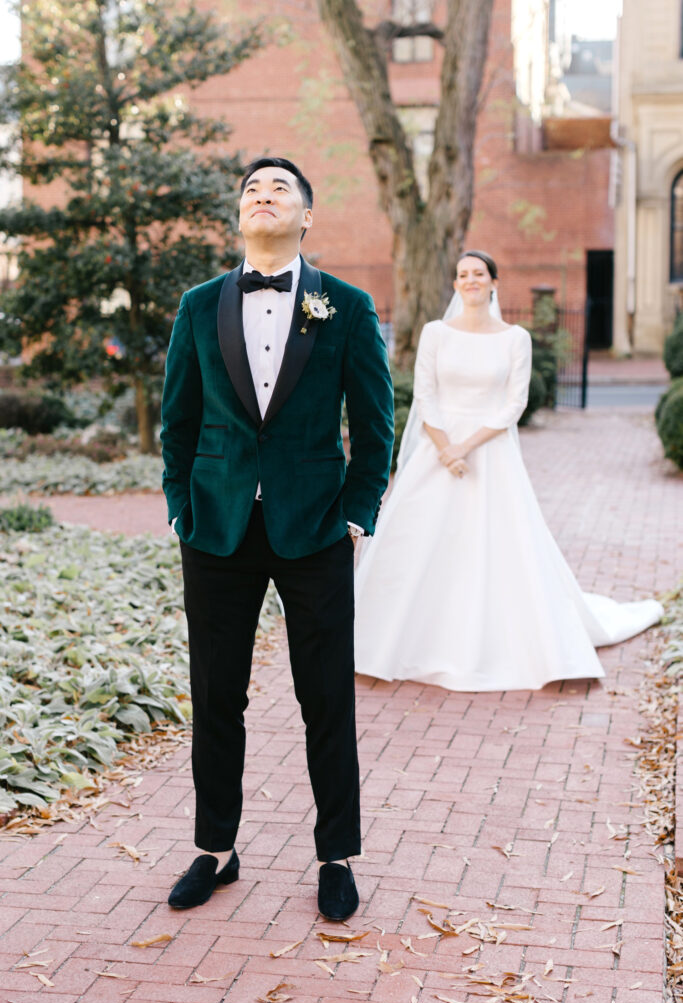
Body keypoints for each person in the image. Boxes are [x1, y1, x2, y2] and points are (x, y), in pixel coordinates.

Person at [160, 157, 394, 920]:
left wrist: (357, 512)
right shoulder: (198, 306)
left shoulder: (347, 307)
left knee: (324, 697)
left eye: (279, 189)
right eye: (252, 189)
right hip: (217, 530)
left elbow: (374, 424)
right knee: (215, 696)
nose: (263, 197)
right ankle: (216, 849)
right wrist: (179, 509)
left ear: (307, 216)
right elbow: (178, 424)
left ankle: (336, 855)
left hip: (317, 527)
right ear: (240, 215)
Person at [354, 250, 662, 692]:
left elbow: (514, 403)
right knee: (418, 541)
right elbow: (426, 394)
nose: (471, 281)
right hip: (436, 451)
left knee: (498, 544)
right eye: (463, 275)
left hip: (490, 451)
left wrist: (465, 447)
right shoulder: (435, 333)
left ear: (494, 282)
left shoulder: (515, 337)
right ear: (456, 285)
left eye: (479, 274)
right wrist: (444, 450)